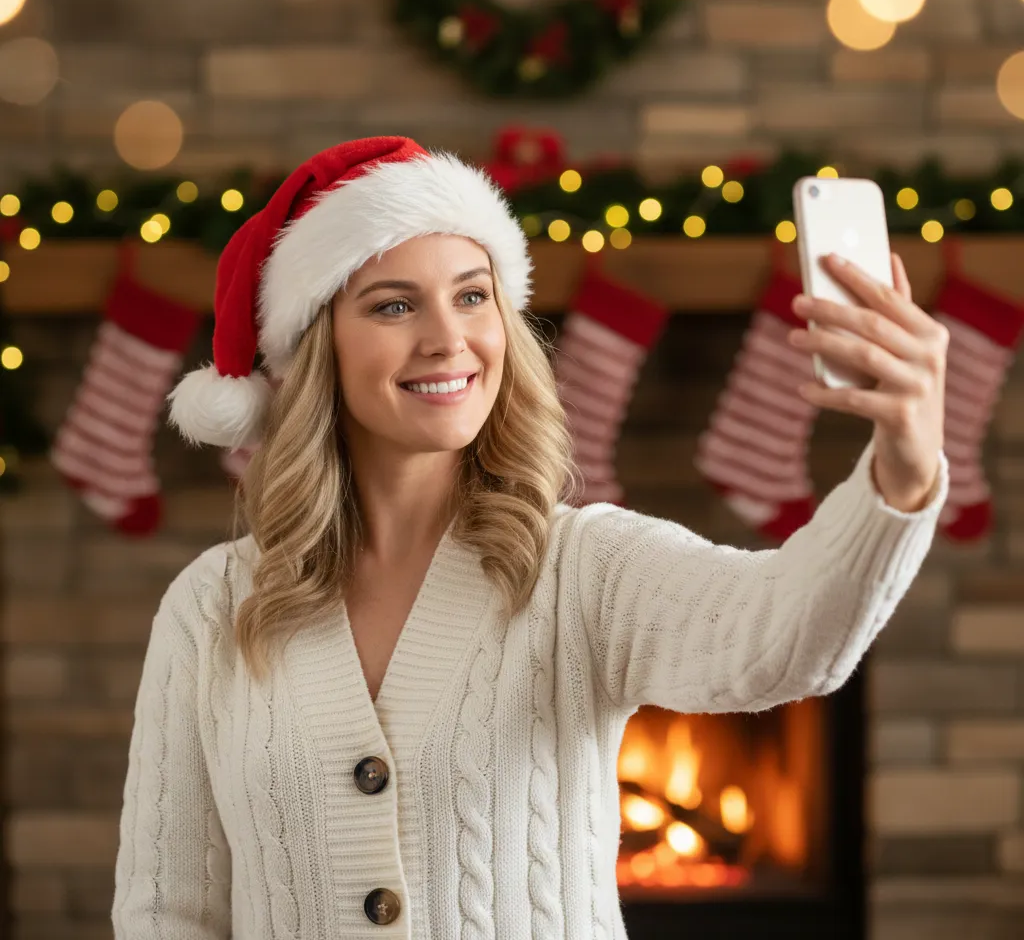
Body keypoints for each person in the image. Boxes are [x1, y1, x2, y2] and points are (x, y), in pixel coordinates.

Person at [111, 136, 949, 939]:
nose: (450, 338)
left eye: (473, 295)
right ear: (310, 352)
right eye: (395, 305)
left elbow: (786, 638)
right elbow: (166, 914)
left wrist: (903, 471)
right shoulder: (212, 608)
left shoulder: (582, 569)